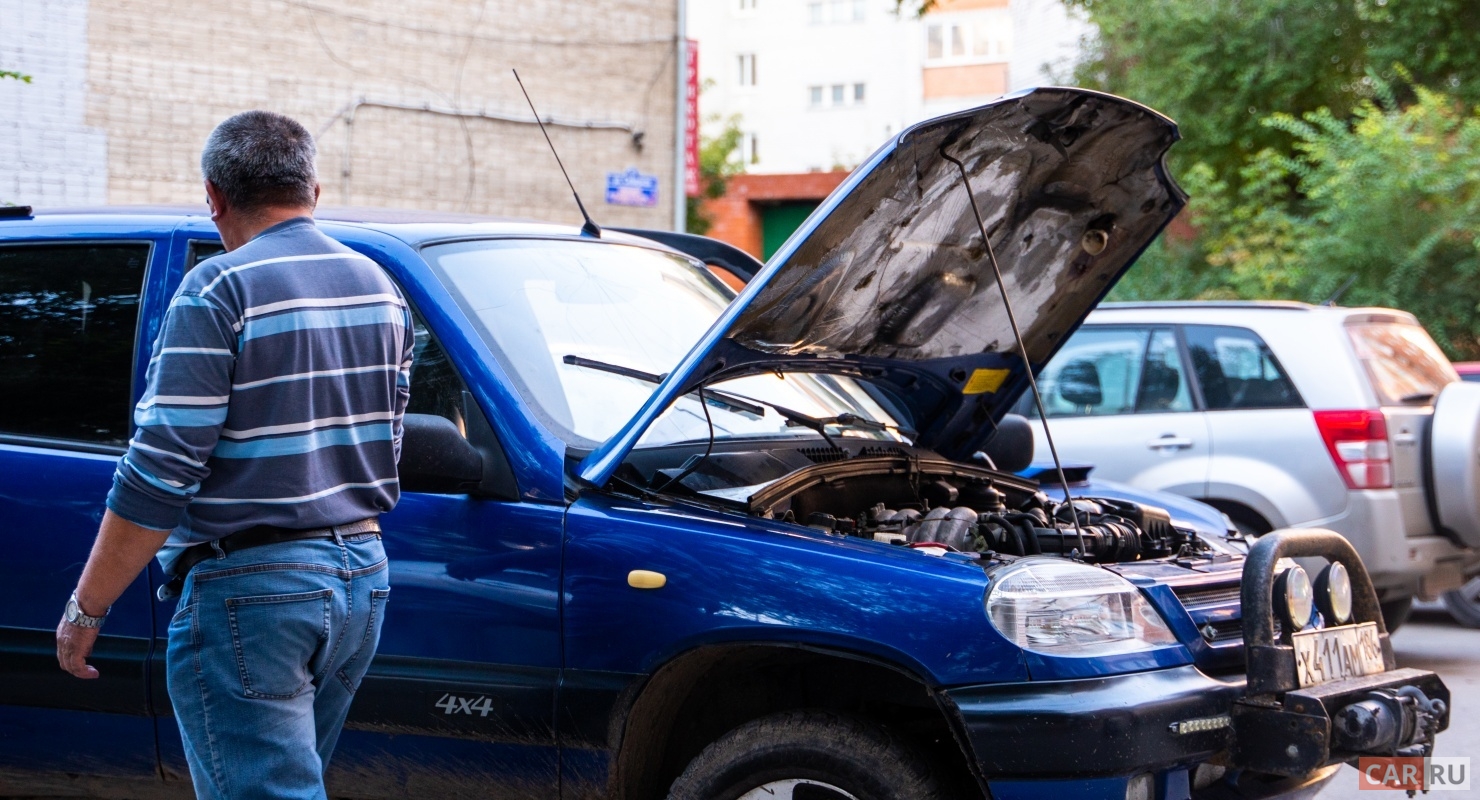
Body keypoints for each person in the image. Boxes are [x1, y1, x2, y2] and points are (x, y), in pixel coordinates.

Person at [55, 110, 414, 800]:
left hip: (254, 595)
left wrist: (87, 610)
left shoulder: (219, 287)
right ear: (314, 190)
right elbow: (386, 440)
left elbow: (161, 468)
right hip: (363, 581)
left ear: (214, 197)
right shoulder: (379, 286)